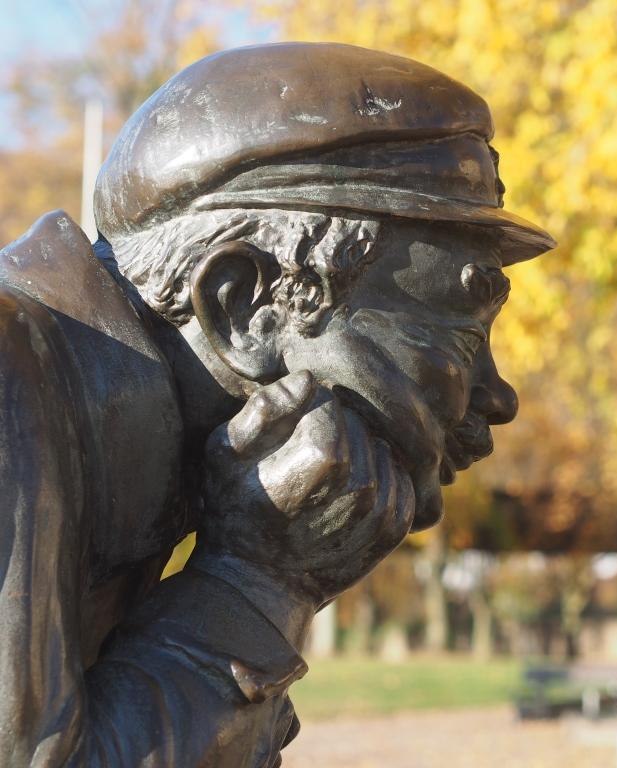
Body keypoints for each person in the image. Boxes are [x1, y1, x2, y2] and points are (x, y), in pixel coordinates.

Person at [0, 42, 553, 766]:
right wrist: (255, 584)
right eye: (461, 326)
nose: (499, 397)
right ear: (245, 307)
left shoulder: (127, 464)